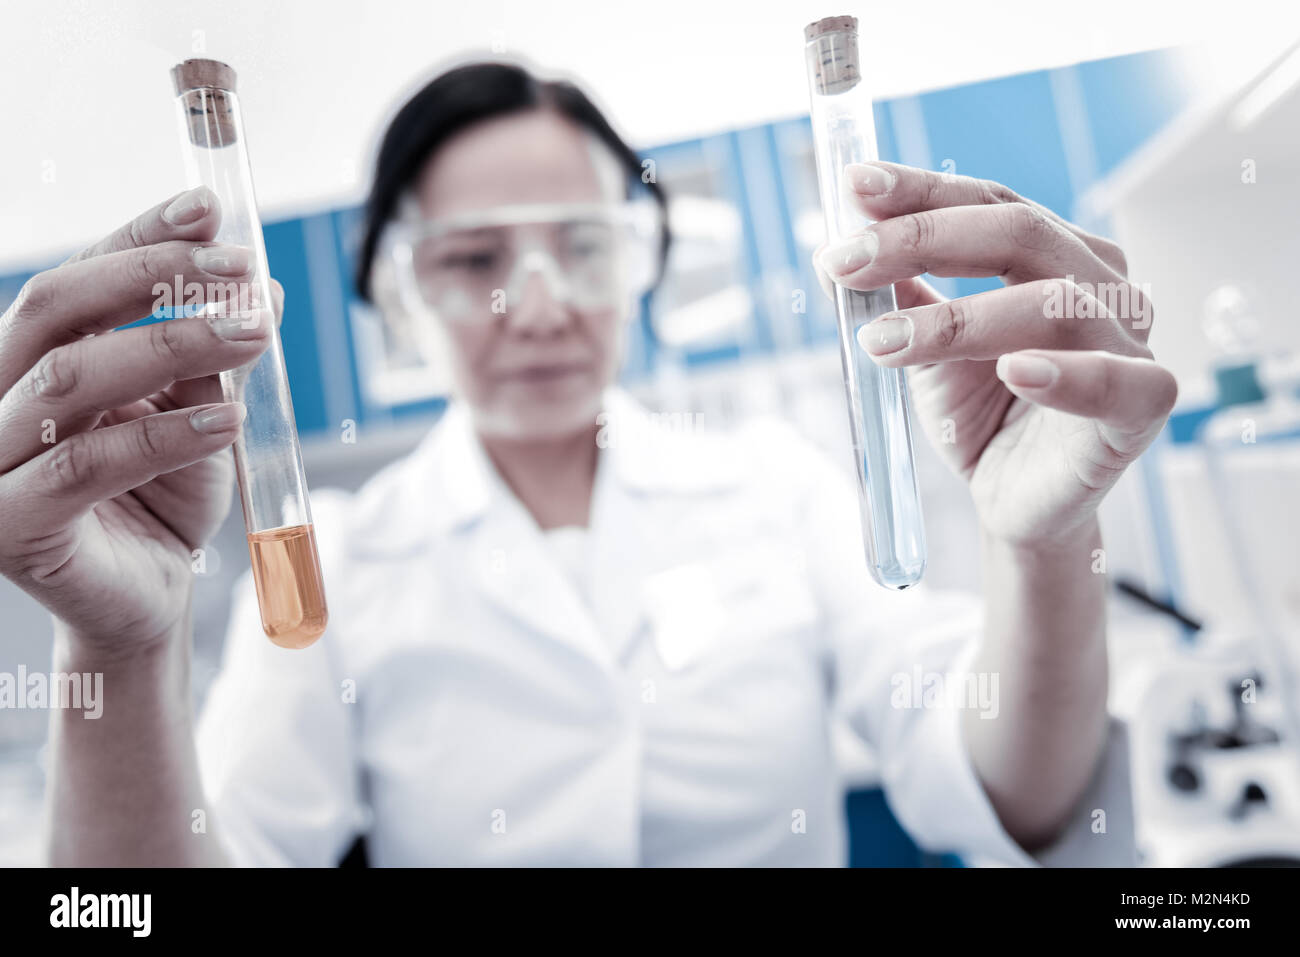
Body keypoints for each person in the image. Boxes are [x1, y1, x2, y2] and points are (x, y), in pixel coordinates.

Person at [2, 59, 1176, 866]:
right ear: (395, 306)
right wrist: (120, 642)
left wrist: (1042, 539)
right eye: (471, 260)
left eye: (585, 247)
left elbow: (1009, 787)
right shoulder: (337, 571)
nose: (539, 304)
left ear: (644, 264)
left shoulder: (778, 487)